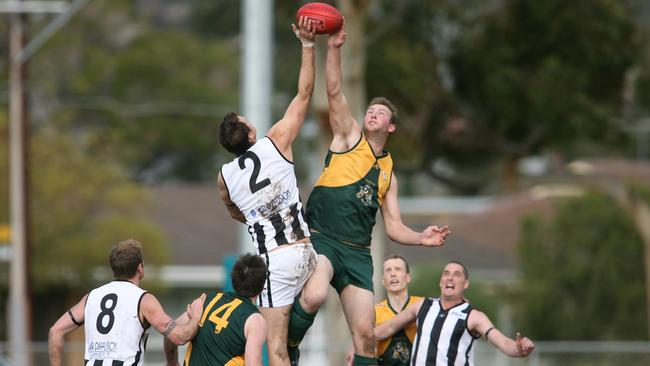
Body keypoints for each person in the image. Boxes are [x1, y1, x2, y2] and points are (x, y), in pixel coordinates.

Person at [287, 22, 451, 366]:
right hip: (323, 238)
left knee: (365, 337)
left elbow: (393, 227)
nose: (372, 113)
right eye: (370, 110)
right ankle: (287, 346)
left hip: (358, 253)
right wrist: (333, 49)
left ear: (391, 127)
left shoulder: (389, 174)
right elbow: (334, 92)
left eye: (381, 113)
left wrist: (422, 238)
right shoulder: (350, 138)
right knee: (314, 294)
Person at [215, 16, 318, 366]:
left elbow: (233, 211)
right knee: (288, 337)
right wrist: (307, 44)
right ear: (251, 133)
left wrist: (257, 217)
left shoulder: (225, 176)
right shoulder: (276, 141)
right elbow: (304, 93)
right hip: (308, 252)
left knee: (275, 348)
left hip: (276, 259)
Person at [48, 239, 206, 366]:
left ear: (114, 268)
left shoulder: (92, 297)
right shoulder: (143, 299)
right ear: (140, 268)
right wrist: (196, 317)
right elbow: (179, 337)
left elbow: (55, 331)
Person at [374, 261, 535, 365]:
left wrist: (519, 349)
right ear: (440, 281)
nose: (450, 278)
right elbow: (386, 329)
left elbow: (502, 343)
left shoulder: (473, 316)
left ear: (465, 284)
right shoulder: (423, 305)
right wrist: (357, 345)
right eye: (446, 274)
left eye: (457, 275)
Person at [163, 253, 268, 366]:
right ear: (262, 286)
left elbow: (171, 332)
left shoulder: (206, 301)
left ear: (233, 278)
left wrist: (172, 362)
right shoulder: (255, 320)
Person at [346, 255, 423, 366]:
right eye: (388, 270)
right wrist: (356, 346)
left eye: (398, 269)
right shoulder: (373, 312)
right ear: (382, 280)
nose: (393, 274)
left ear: (408, 277)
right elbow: (362, 342)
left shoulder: (422, 304)